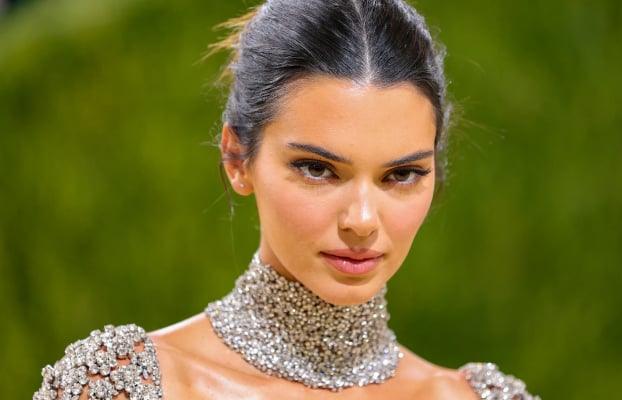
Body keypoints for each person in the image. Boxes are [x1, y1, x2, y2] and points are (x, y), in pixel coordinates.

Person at [34, 1, 540, 399]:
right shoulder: (127, 386)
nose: (362, 221)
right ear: (237, 159)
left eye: (401, 175)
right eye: (318, 169)